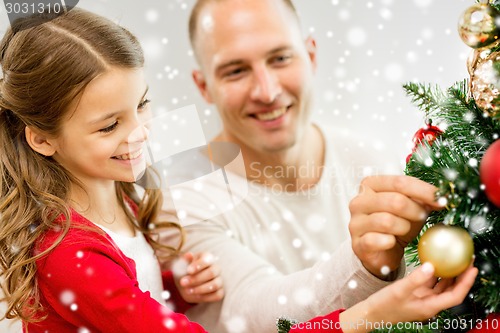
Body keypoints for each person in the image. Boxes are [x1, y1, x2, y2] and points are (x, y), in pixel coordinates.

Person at [157, 0, 475, 331]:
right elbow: (255, 317)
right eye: (235, 70)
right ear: (204, 86)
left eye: (280, 58)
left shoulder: (368, 158)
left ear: (311, 56)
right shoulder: (181, 202)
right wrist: (366, 265)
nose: (267, 92)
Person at [0, 8, 224, 332]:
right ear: (43, 139)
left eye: (142, 105)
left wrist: (175, 287)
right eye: (109, 126)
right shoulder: (69, 253)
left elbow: (124, 302)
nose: (141, 133)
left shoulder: (116, 197)